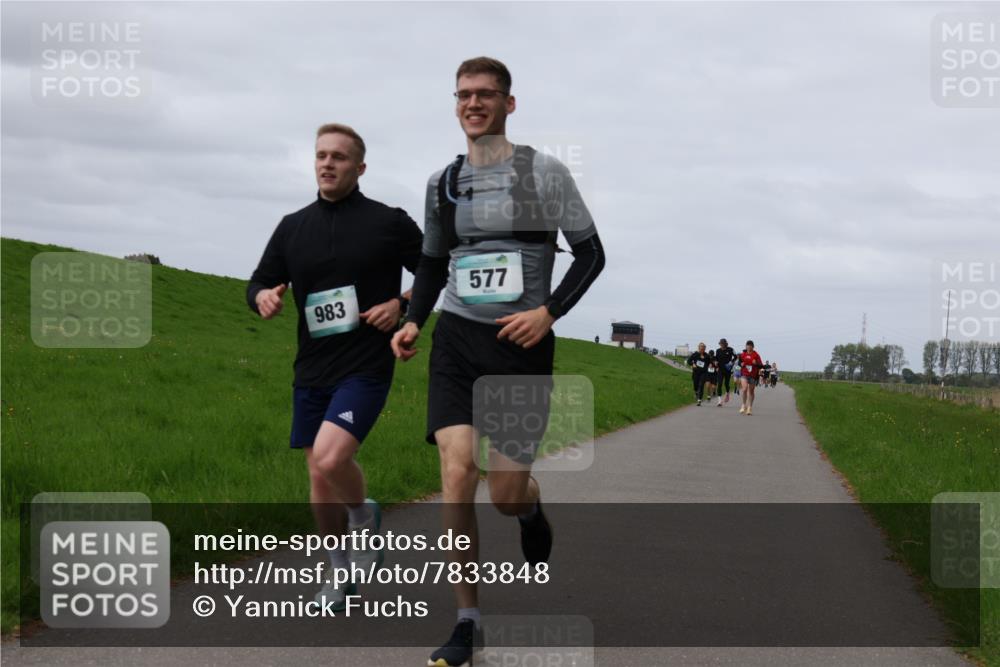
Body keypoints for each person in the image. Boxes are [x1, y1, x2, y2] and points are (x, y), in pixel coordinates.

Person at [390, 57, 605, 667]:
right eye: (463, 95)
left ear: (510, 104)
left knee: (505, 490)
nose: (473, 103)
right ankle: (467, 621)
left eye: (486, 94)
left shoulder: (544, 173)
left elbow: (591, 255)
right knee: (457, 473)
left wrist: (550, 313)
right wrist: (413, 321)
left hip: (522, 346)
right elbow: (432, 262)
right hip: (457, 339)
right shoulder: (443, 182)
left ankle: (530, 511)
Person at [246, 123, 423, 610]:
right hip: (312, 367)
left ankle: (364, 518)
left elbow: (435, 268)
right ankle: (339, 573)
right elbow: (259, 280)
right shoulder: (292, 226)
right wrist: (261, 295)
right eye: (321, 155)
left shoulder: (388, 221)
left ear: (360, 167)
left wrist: (401, 305)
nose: (327, 163)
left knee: (328, 457)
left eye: (339, 157)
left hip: (365, 363)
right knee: (319, 475)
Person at [737, 340, 764, 415]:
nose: (749, 347)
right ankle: (743, 405)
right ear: (746, 346)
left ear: (753, 347)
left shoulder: (756, 355)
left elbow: (761, 365)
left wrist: (756, 363)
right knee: (745, 389)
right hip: (744, 374)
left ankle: (749, 407)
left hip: (753, 375)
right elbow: (739, 362)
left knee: (751, 391)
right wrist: (741, 364)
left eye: (750, 346)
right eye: (747, 345)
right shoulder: (743, 354)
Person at [714, 338, 736, 406]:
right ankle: (719, 401)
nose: (722, 345)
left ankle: (727, 393)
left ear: (726, 344)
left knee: (726, 383)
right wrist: (715, 362)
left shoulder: (730, 349)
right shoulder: (718, 350)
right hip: (720, 369)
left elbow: (735, 357)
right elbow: (716, 358)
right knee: (719, 384)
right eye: (721, 344)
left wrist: (731, 362)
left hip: (728, 369)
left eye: (723, 343)